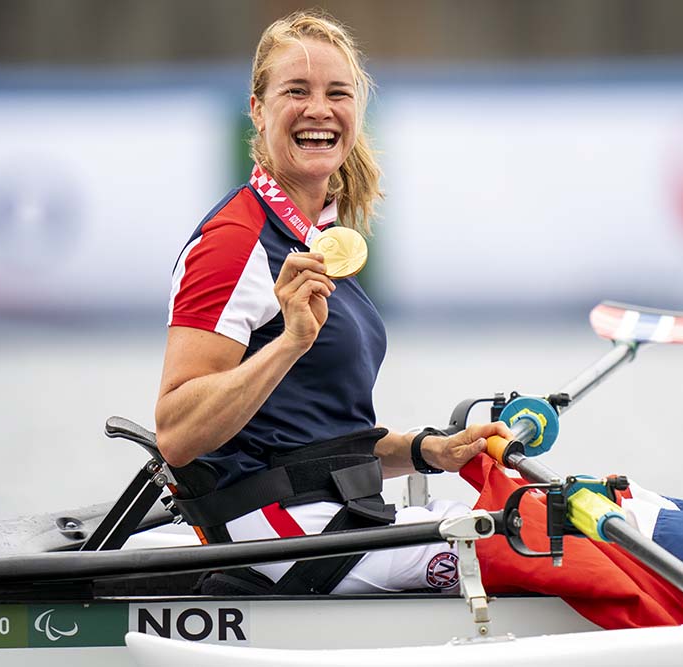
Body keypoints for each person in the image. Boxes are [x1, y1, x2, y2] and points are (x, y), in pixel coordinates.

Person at [154, 9, 510, 595]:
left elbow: (313, 441)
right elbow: (177, 430)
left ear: (355, 112)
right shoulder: (236, 240)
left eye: (336, 93)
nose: (319, 109)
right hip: (278, 540)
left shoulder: (315, 235)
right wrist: (291, 344)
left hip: (329, 518)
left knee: (575, 516)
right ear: (258, 109)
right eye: (296, 91)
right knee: (550, 543)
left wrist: (426, 451)